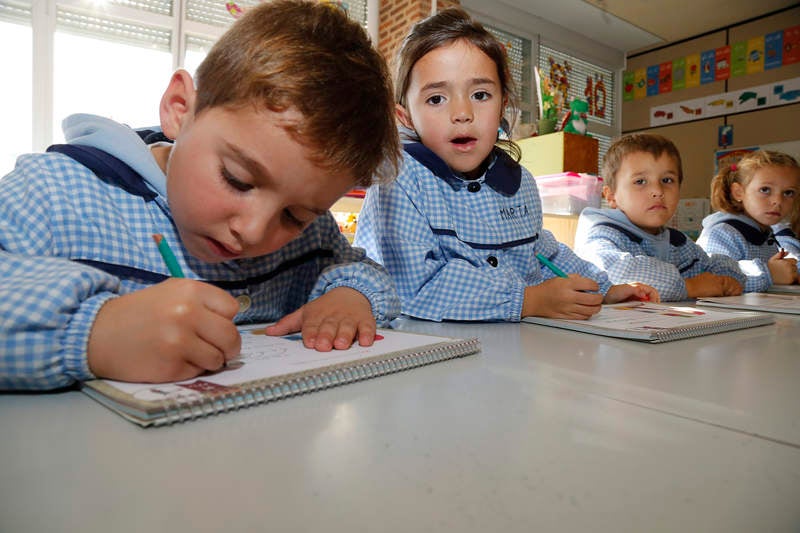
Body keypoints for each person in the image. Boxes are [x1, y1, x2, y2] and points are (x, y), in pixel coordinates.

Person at [0, 0, 402, 391]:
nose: (253, 231)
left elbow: (358, 267)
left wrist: (350, 295)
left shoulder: (311, 234)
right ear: (180, 109)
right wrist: (90, 331)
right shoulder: (53, 194)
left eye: (293, 217)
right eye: (238, 179)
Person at [353, 8, 658, 323]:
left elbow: (544, 255)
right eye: (436, 99)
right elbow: (412, 284)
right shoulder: (399, 179)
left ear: (503, 106)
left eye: (481, 94)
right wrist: (527, 299)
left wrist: (605, 289)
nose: (462, 112)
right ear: (405, 116)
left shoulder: (520, 181)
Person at [574, 133, 744, 301]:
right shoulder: (601, 234)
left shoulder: (677, 242)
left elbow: (710, 264)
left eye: (667, 180)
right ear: (611, 196)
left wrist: (726, 280)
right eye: (640, 181)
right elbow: (615, 271)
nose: (658, 191)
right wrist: (689, 287)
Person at [697, 150, 800, 291]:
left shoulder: (766, 233)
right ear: (738, 192)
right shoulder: (722, 233)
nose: (778, 201)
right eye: (765, 190)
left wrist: (792, 271)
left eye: (788, 193)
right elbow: (714, 278)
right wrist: (770, 273)